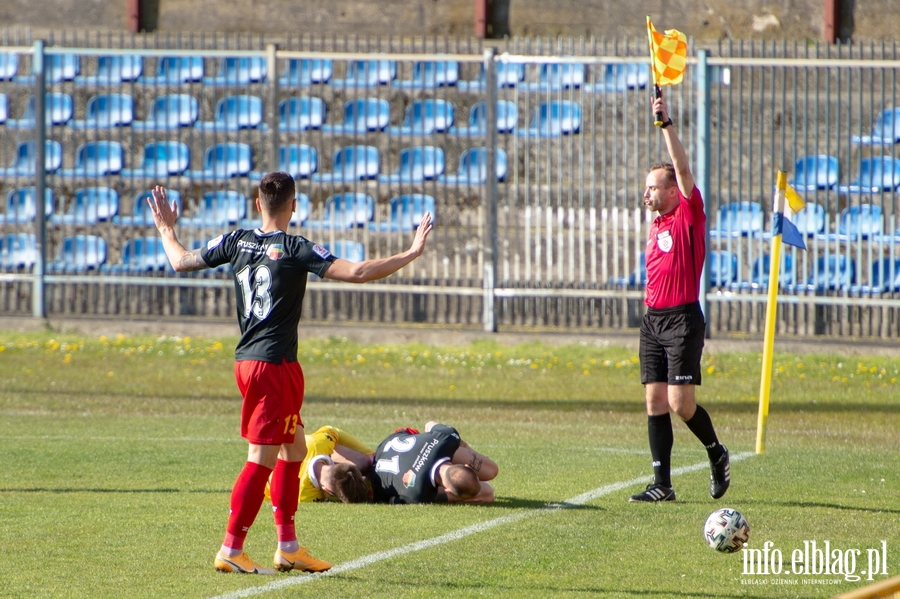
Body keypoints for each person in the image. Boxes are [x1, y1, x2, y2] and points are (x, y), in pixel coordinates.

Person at [147, 172, 433, 574]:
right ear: (294, 205)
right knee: (260, 458)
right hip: (274, 367)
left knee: (295, 450)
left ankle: (288, 547)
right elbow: (358, 272)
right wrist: (410, 253)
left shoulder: (235, 240)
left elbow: (180, 260)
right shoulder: (296, 248)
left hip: (249, 362)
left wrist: (166, 228)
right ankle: (231, 548)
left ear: (257, 202)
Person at [628, 91, 730, 503]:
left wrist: (665, 123)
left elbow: (683, 167)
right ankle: (662, 485)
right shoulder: (656, 222)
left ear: (675, 192)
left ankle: (716, 451)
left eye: (655, 187)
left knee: (680, 403)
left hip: (682, 319)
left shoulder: (689, 213)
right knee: (654, 399)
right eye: (646, 187)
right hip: (653, 319)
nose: (648, 193)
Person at [370, 421, 498, 504]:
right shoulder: (418, 494)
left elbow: (429, 424)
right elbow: (392, 499)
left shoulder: (447, 438)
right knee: (487, 492)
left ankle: (463, 484)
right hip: (381, 458)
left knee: (491, 471)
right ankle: (462, 486)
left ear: (465, 465)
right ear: (448, 490)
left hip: (389, 444)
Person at [264, 425, 374, 504]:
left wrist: (369, 457)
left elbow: (332, 430)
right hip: (266, 485)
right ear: (327, 490)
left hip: (267, 447)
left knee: (366, 460)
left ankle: (371, 460)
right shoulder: (304, 495)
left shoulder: (317, 443)